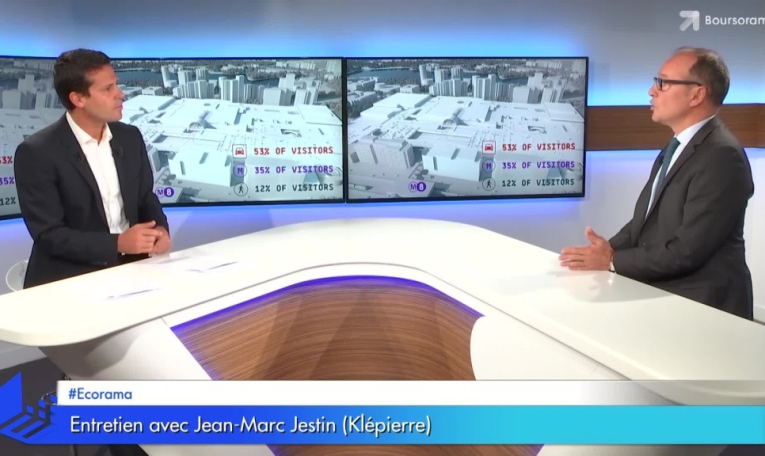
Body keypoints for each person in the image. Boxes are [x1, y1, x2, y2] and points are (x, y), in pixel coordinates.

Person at [14, 50, 170, 455]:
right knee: (114, 374)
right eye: (108, 88)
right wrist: (117, 244)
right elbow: (48, 234)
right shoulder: (37, 152)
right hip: (71, 282)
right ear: (78, 98)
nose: (121, 94)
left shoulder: (130, 137)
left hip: (132, 274)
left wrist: (160, 230)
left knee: (157, 357)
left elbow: (146, 198)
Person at [558, 47, 755, 320]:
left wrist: (611, 261)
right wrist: (606, 250)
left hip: (704, 311)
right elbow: (647, 221)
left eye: (662, 83)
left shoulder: (722, 156)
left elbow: (687, 251)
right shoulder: (677, 146)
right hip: (668, 302)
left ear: (697, 95)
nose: (652, 91)